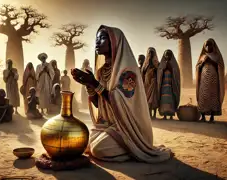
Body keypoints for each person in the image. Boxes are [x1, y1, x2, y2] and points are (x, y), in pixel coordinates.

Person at [71, 25, 172, 163]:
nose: (97, 42)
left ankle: (133, 149)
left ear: (114, 42)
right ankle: (125, 149)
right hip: (108, 126)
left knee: (98, 149)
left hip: (127, 128)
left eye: (102, 38)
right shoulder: (100, 71)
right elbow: (98, 104)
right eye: (96, 39)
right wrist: (88, 84)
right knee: (83, 143)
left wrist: (94, 83)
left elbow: (118, 103)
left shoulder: (128, 71)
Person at [196, 38, 225, 123]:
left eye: (210, 45)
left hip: (214, 81)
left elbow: (221, 67)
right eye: (206, 45)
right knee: (203, 97)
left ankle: (212, 117)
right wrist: (202, 63)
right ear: (204, 47)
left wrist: (212, 61)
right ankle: (203, 117)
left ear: (213, 46)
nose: (208, 47)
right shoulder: (202, 56)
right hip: (203, 81)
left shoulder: (217, 56)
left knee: (213, 97)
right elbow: (198, 68)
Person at [157, 50, 180, 120]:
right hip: (163, 86)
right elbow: (159, 72)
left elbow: (177, 75)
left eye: (169, 55)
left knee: (171, 99)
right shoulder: (161, 64)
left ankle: (171, 115)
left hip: (171, 85)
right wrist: (163, 69)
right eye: (166, 55)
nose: (167, 56)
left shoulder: (174, 64)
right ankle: (164, 115)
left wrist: (171, 68)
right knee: (164, 100)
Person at [141, 47, 159, 119]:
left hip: (154, 82)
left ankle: (154, 114)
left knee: (154, 98)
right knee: (148, 99)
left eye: (152, 52)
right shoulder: (146, 63)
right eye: (149, 52)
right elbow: (143, 72)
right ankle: (149, 114)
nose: (150, 54)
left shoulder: (156, 63)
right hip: (147, 83)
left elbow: (159, 71)